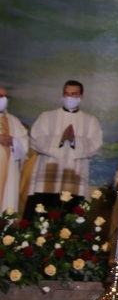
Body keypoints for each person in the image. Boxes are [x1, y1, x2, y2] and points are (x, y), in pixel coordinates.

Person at [25, 80, 104, 204]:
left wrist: (74, 140)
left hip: (74, 172)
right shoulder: (47, 116)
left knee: (70, 209)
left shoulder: (90, 120)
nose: (69, 97)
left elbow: (96, 144)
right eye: (66, 94)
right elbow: (35, 140)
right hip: (48, 172)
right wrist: (60, 139)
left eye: (74, 94)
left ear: (81, 96)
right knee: (43, 207)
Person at [0, 85, 28, 213]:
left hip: (9, 172)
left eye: (6, 97)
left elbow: (25, 144)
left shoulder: (14, 121)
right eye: (0, 96)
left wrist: (14, 141)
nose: (3, 100)